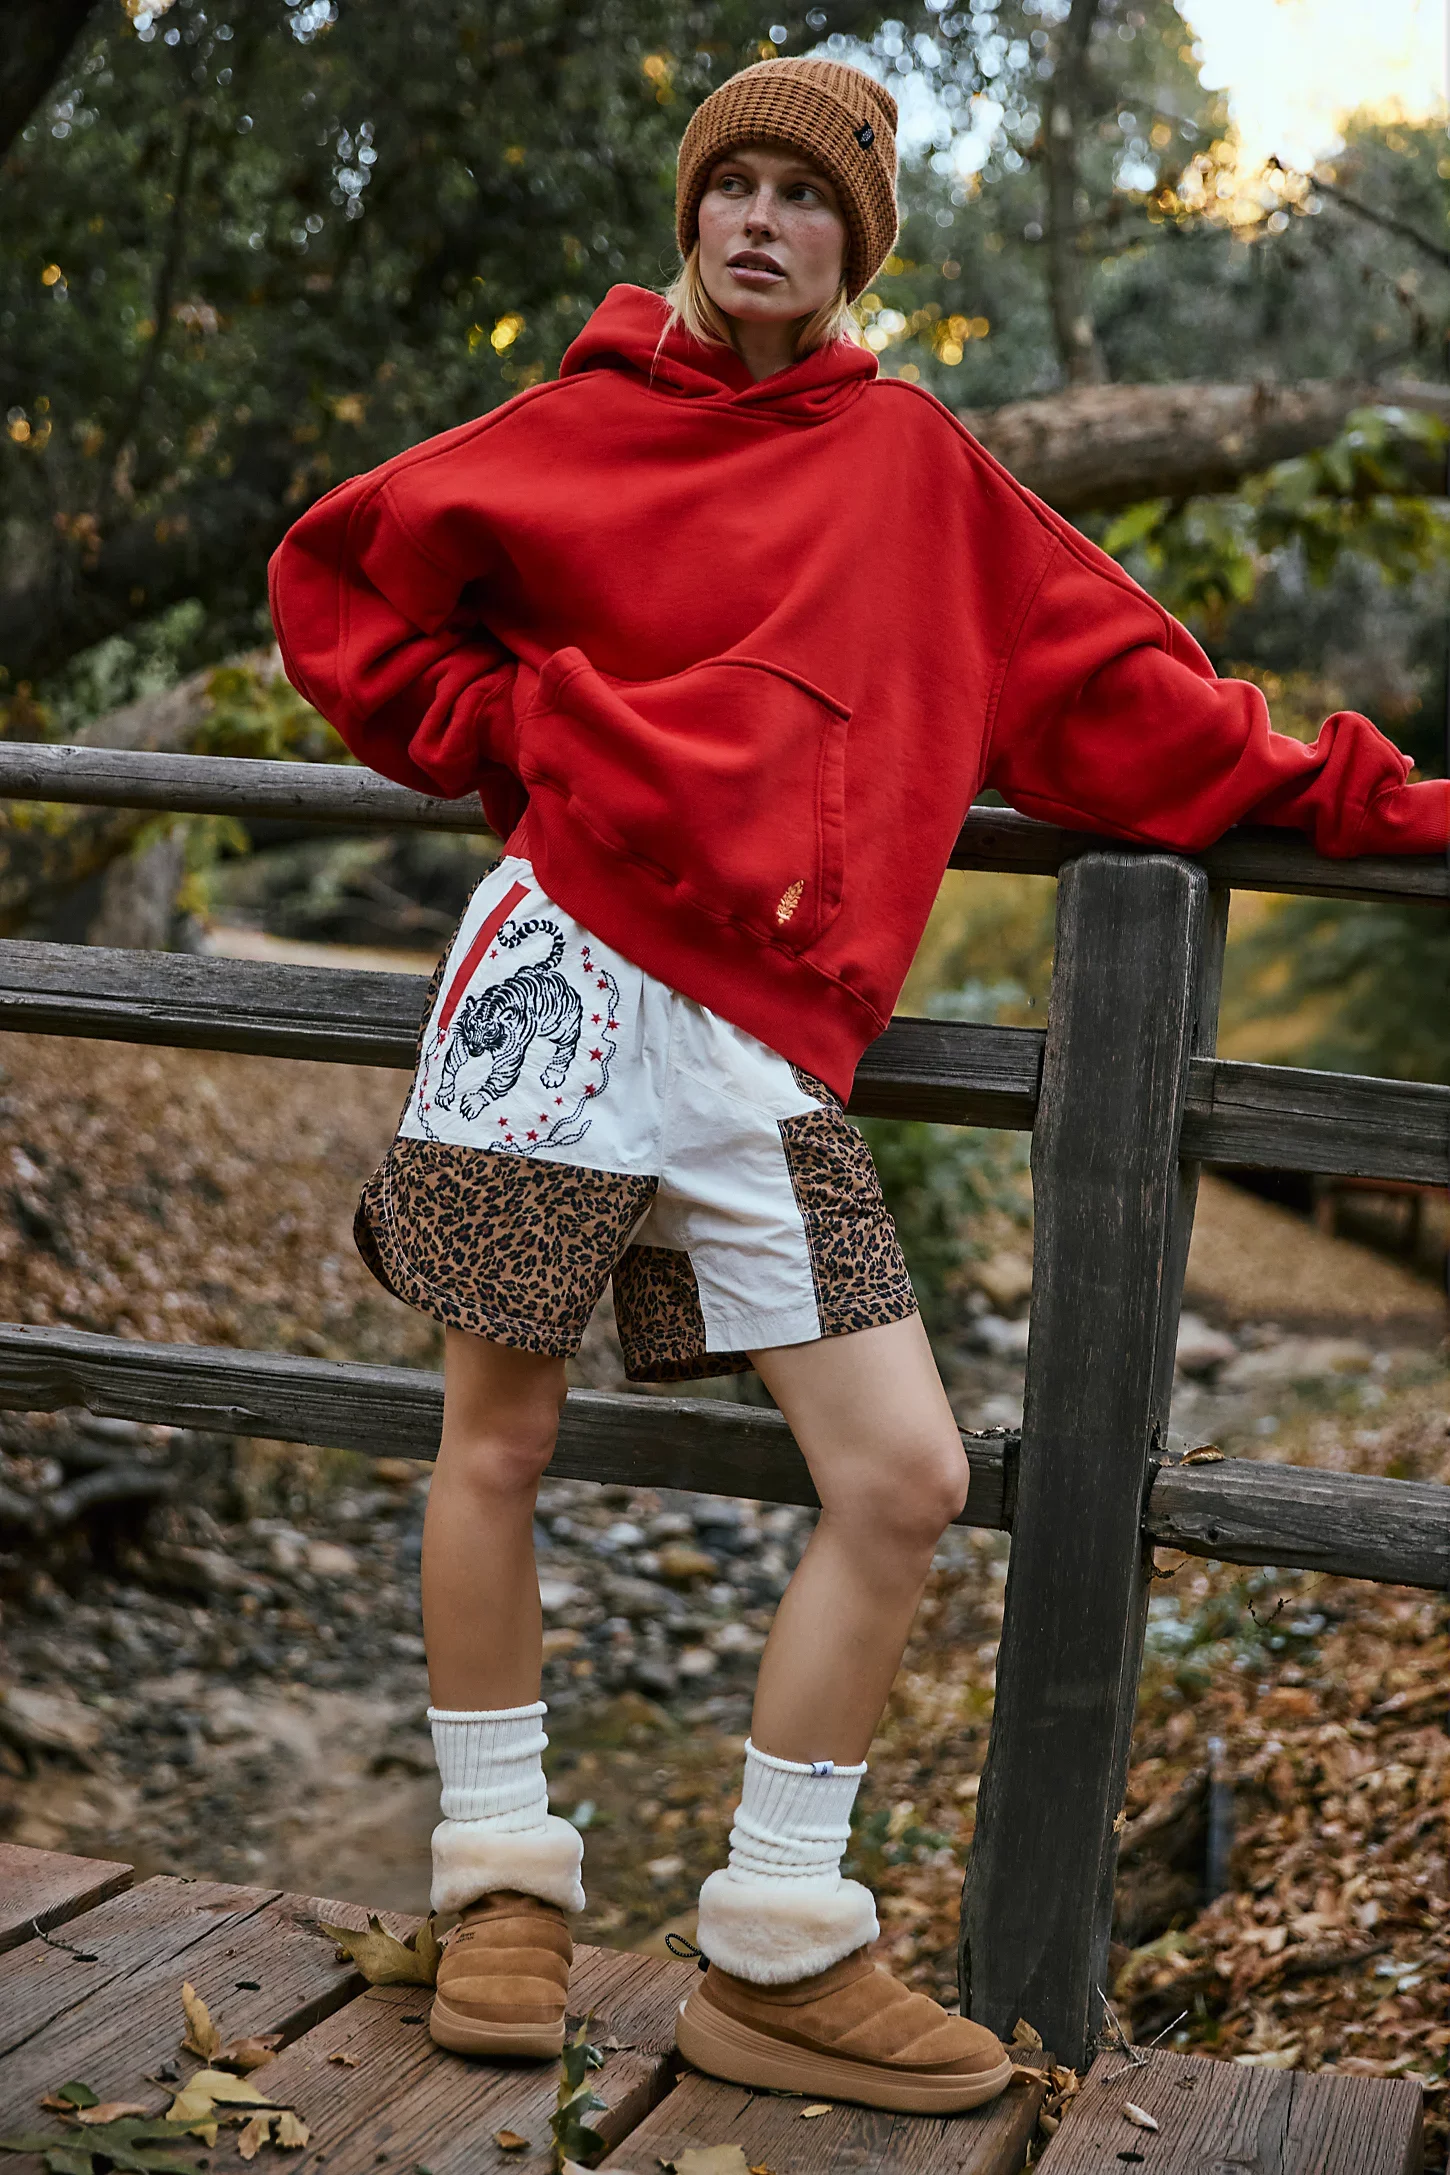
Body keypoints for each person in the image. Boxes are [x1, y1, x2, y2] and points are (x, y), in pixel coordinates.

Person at [267, 56, 1447, 2115]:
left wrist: (1397, 805)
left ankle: (777, 1942)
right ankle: (498, 1890)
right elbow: (338, 582)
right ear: (687, 217)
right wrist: (505, 732)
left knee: (898, 1472)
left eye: (798, 199)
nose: (754, 220)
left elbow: (1137, 708)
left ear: (853, 243)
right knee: (490, 1438)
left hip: (752, 1045)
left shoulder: (914, 464)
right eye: (723, 184)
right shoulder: (574, 430)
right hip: (547, 977)